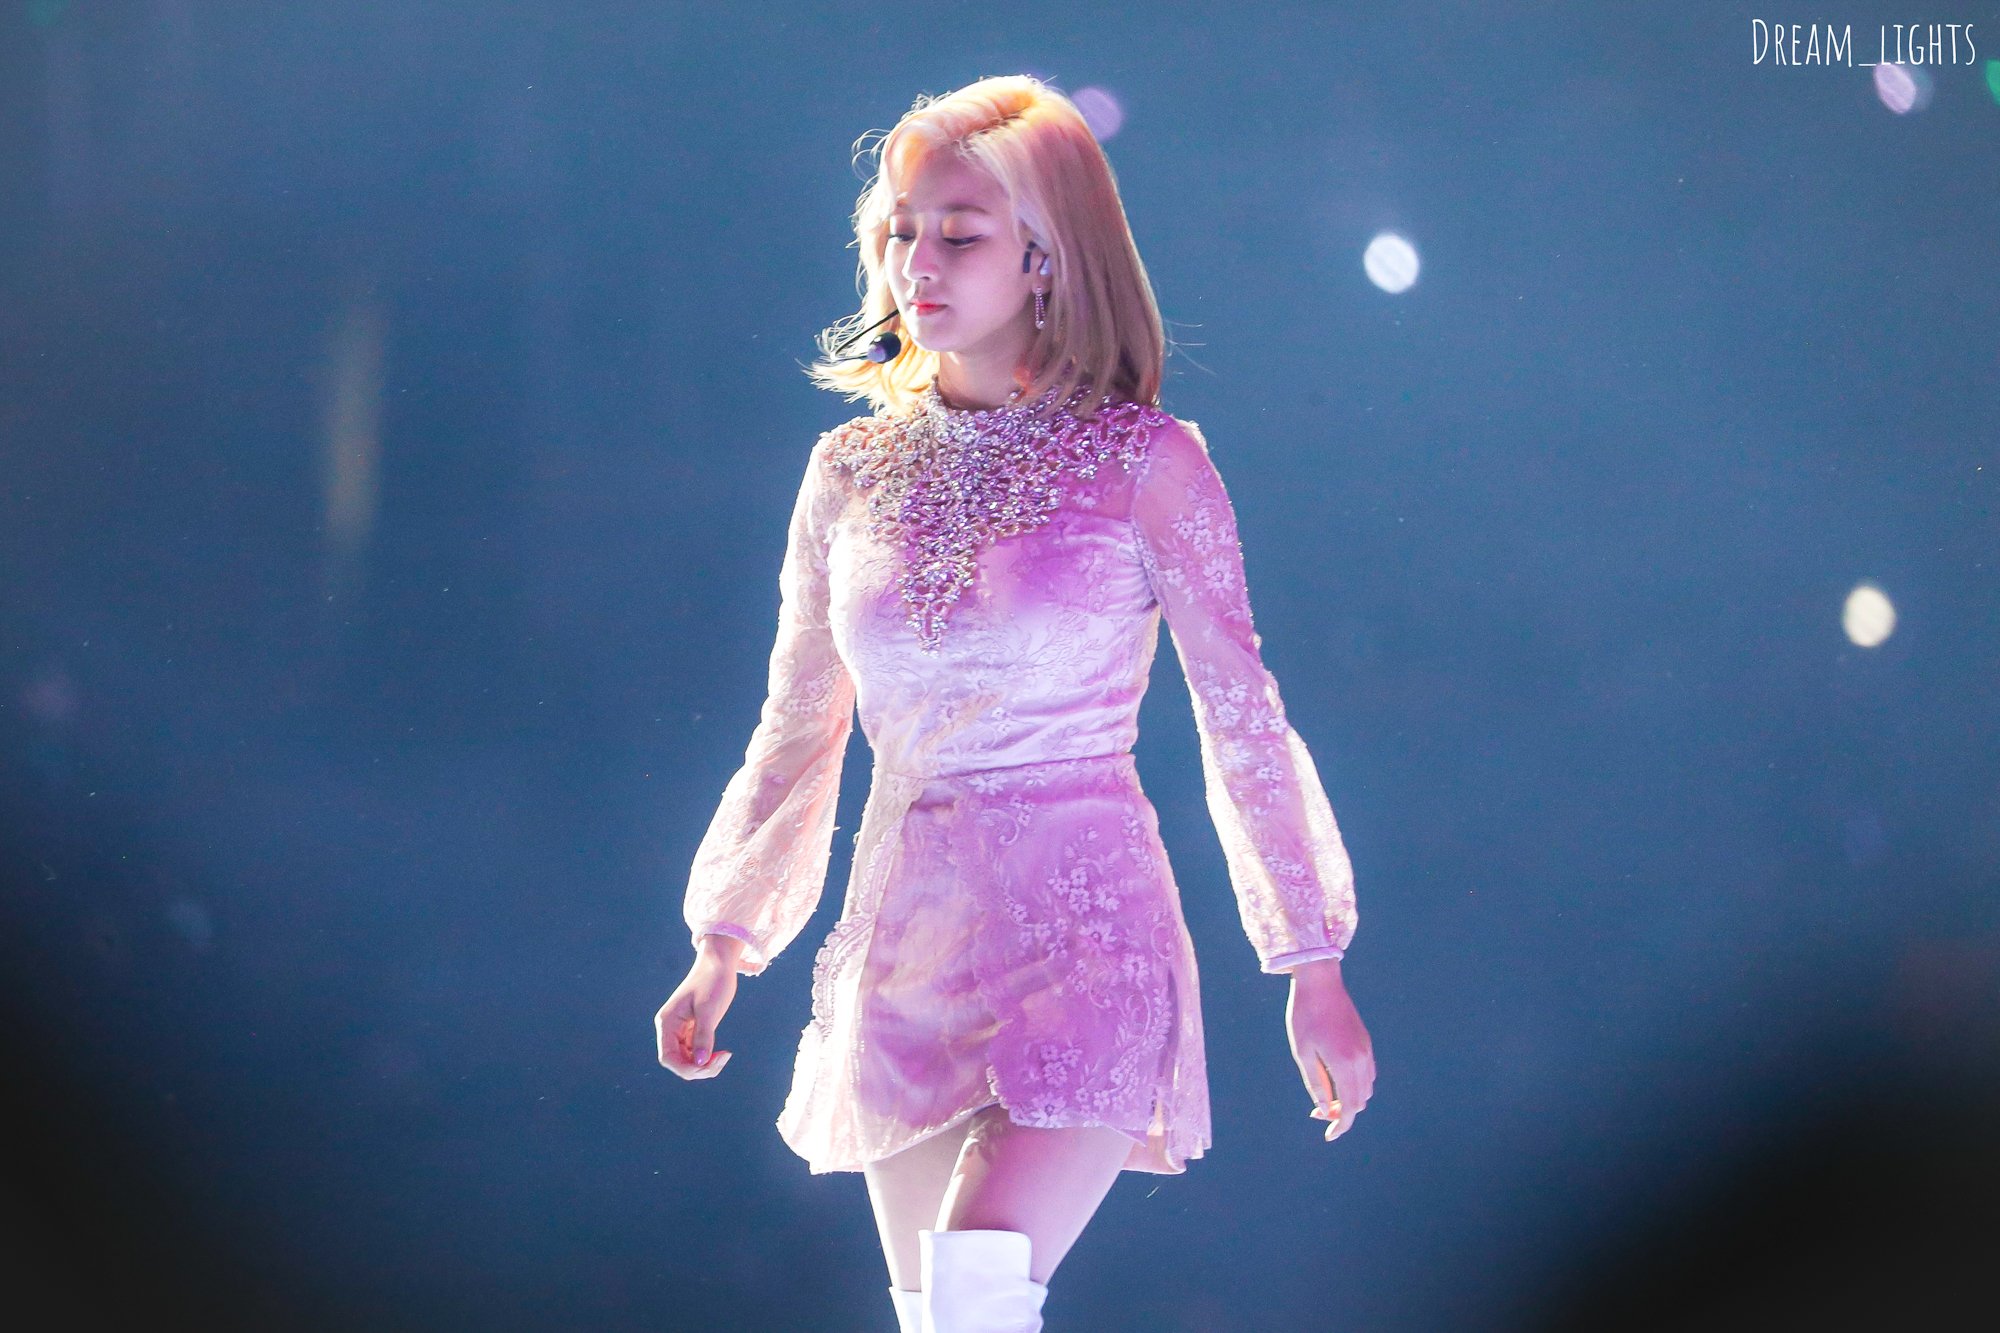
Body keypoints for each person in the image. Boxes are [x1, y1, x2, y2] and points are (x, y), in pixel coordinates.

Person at [654, 74, 1374, 1333]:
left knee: (976, 1288)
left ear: (1043, 254)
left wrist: (1308, 958)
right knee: (938, 1317)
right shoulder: (848, 471)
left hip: (1087, 933)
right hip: (906, 944)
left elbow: (1241, 718)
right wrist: (724, 941)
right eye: (900, 230)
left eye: (959, 233)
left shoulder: (1147, 463)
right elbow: (798, 722)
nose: (917, 262)